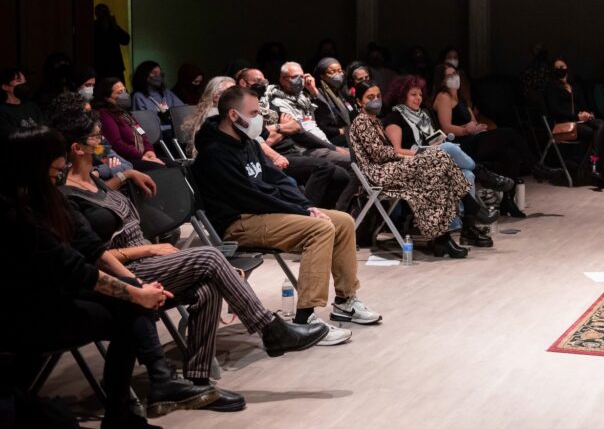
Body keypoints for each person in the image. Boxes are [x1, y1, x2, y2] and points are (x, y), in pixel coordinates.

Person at [51, 106, 329, 411]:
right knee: (210, 257)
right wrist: (147, 249)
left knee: (206, 288)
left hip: (146, 261)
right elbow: (91, 257)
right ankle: (269, 329)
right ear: (77, 148)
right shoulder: (65, 198)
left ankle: (197, 385)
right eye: (96, 137)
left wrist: (127, 173)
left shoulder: (95, 180)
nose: (103, 141)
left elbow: (104, 197)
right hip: (127, 269)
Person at [1, 126, 217, 424]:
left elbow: (90, 248)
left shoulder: (49, 196)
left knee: (131, 302)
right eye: (54, 168)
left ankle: (142, 396)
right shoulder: (15, 214)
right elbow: (76, 269)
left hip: (57, 291)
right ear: (33, 168)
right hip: (25, 313)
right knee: (129, 309)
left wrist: (135, 283)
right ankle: (129, 406)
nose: (62, 170)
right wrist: (137, 293)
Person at [193, 86, 381, 337]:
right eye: (253, 113)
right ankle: (305, 320)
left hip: (263, 213)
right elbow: (251, 197)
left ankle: (346, 302)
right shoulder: (213, 155)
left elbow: (276, 179)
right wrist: (301, 213)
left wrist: (307, 206)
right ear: (233, 115)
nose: (259, 118)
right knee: (320, 228)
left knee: (343, 221)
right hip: (238, 222)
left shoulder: (247, 143)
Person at [347, 80, 469, 257]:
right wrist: (408, 155)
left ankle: (442, 239)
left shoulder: (377, 121)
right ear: (359, 101)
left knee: (435, 174)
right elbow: (379, 154)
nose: (376, 100)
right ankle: (458, 221)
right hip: (377, 172)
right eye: (370, 97)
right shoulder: (362, 121)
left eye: (378, 96)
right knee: (438, 158)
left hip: (391, 168)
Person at [383, 75, 507, 247]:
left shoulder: (424, 115)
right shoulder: (394, 117)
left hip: (432, 161)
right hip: (411, 163)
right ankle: (484, 174)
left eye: (420, 94)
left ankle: (468, 230)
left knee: (467, 174)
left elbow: (433, 140)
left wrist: (436, 145)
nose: (418, 98)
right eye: (413, 94)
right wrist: (423, 151)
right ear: (402, 95)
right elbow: (395, 150)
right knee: (449, 148)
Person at [237, 67, 350, 211]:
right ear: (242, 83)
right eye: (257, 81)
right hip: (276, 156)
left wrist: (278, 128)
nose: (262, 84)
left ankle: (327, 215)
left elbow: (296, 127)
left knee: (341, 176)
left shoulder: (268, 104)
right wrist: (282, 128)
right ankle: (306, 213)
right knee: (324, 167)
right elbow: (262, 139)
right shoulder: (251, 107)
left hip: (295, 149)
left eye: (264, 80)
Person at [544, 57, 604, 188]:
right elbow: (555, 110)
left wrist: (586, 113)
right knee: (597, 133)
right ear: (553, 71)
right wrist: (576, 116)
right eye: (557, 68)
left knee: (603, 125)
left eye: (563, 66)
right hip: (564, 123)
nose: (561, 69)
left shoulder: (574, 86)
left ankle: (593, 168)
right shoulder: (551, 87)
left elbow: (583, 104)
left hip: (579, 120)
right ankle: (594, 169)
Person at [92, 77, 166, 170]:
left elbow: (141, 133)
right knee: (161, 168)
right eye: (119, 92)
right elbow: (116, 144)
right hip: (125, 160)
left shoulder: (125, 113)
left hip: (143, 156)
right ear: (107, 98)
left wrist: (149, 152)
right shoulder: (104, 114)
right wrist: (142, 157)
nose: (125, 94)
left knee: (174, 165)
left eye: (124, 90)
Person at [131, 61, 184, 140]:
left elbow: (182, 109)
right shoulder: (139, 96)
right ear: (144, 75)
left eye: (160, 73)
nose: (158, 76)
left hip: (174, 130)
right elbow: (143, 123)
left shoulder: (166, 93)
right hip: (156, 133)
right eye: (154, 73)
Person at [311, 57, 356, 147]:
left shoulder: (340, 92)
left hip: (347, 132)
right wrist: (341, 130)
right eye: (332, 72)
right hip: (331, 137)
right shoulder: (317, 95)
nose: (338, 75)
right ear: (322, 76)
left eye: (339, 71)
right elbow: (320, 125)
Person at [0, 67, 45, 140]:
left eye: (24, 81)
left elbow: (44, 129)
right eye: (18, 80)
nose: (23, 84)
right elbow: (11, 137)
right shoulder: (2, 112)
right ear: (5, 87)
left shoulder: (32, 106)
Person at [94, 3, 131, 82]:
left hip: (108, 65)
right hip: (107, 65)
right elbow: (125, 40)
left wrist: (114, 26)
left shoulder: (112, 27)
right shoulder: (95, 27)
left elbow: (125, 40)